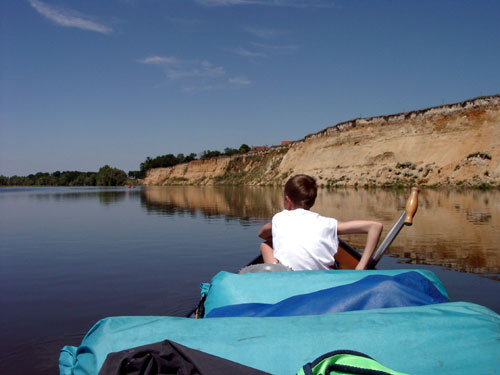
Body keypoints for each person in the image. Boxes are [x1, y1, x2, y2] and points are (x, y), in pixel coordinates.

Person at [258, 174, 383, 271]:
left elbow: (262, 234)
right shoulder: (327, 223)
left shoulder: (279, 218)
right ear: (312, 201)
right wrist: (360, 268)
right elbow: (375, 227)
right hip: (322, 277)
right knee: (332, 245)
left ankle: (275, 276)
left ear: (287, 199)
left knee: (265, 245)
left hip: (288, 276)